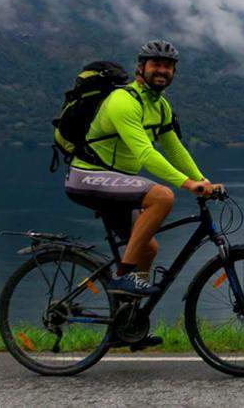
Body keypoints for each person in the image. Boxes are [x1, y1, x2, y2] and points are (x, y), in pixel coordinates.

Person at [64, 39, 224, 299]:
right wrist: (187, 184)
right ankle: (123, 276)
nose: (162, 70)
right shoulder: (123, 101)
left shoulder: (160, 106)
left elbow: (175, 149)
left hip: (116, 181)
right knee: (162, 197)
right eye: (156, 64)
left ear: (174, 72)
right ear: (141, 68)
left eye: (168, 66)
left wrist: (203, 180)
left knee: (148, 249)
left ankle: (129, 315)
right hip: (87, 177)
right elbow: (146, 153)